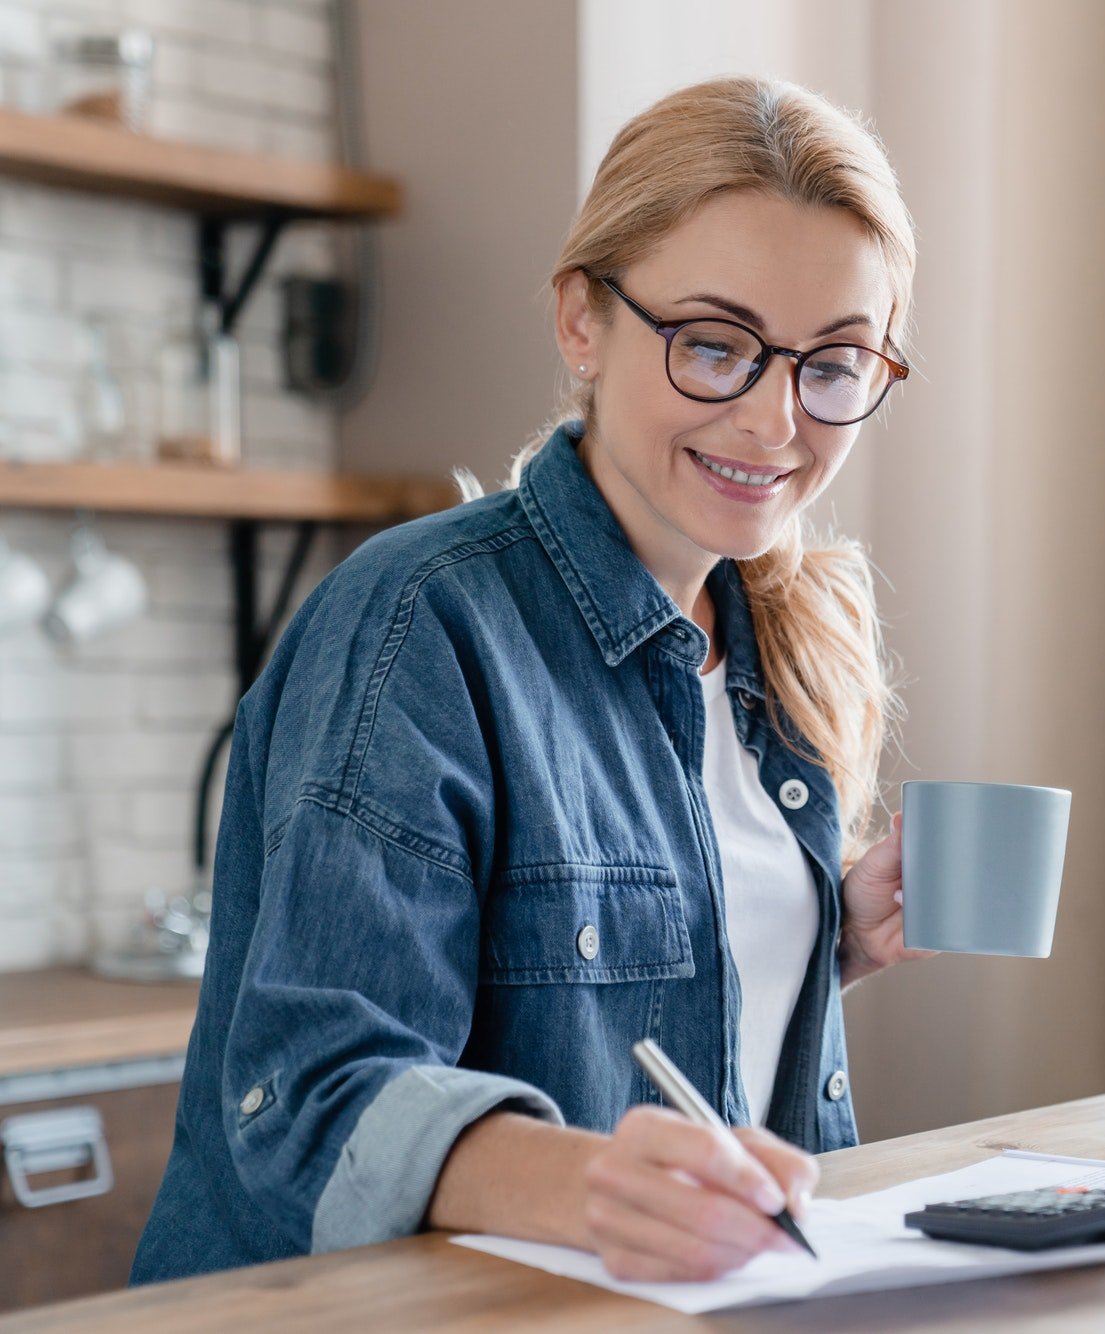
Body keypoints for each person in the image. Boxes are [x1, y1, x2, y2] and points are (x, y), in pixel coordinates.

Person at [132, 75, 933, 1286]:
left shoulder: (772, 646)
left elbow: (616, 996)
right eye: (714, 346)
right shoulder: (418, 623)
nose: (776, 419)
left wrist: (824, 930)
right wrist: (591, 1183)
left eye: (832, 363)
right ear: (581, 321)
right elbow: (308, 1093)